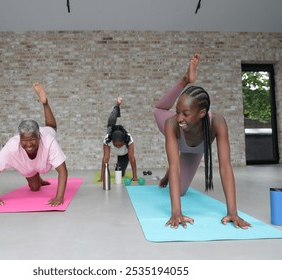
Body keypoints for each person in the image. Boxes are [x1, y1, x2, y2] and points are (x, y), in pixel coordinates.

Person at [153, 53, 251, 229]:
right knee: (158, 109)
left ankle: (168, 173)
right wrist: (176, 213)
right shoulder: (172, 122)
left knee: (181, 191)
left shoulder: (217, 123)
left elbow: (225, 167)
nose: (180, 117)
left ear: (202, 113)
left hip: (194, 150)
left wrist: (233, 212)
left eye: (186, 113)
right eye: (178, 111)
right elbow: (174, 165)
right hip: (174, 134)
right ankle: (185, 79)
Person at [0, 83, 68, 207]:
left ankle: (45, 103)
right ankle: (37, 179)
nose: (28, 144)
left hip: (44, 158)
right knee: (35, 188)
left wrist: (59, 197)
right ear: (20, 138)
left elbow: (62, 171)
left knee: (51, 128)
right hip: (27, 165)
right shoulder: (12, 146)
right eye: (25, 140)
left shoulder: (48, 140)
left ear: (39, 137)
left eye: (32, 139)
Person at [99, 97, 138, 182]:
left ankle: (117, 105)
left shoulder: (128, 139)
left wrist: (135, 176)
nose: (117, 147)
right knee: (111, 121)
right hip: (111, 132)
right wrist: (102, 177)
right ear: (112, 141)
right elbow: (105, 158)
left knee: (121, 173)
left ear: (124, 142)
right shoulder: (108, 139)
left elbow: (132, 158)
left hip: (124, 155)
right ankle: (117, 105)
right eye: (115, 145)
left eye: (120, 145)